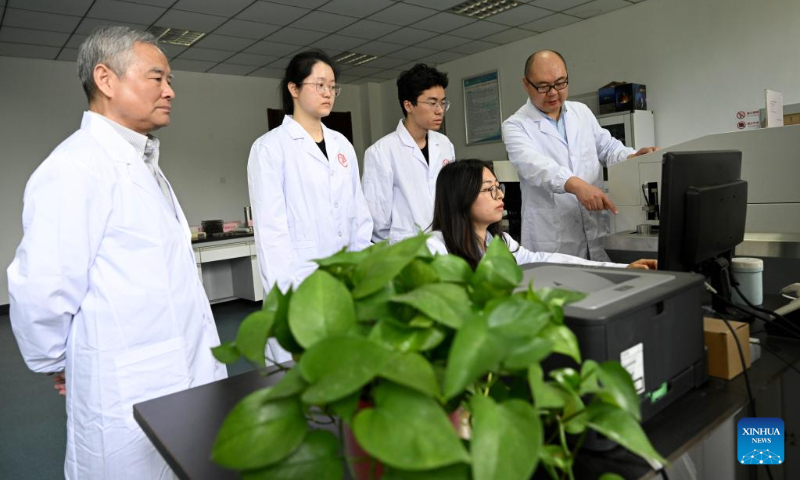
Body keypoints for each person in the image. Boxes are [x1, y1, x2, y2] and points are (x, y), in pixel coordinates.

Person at [6, 26, 227, 479]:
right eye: (157, 78)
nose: (170, 91)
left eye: (169, 81)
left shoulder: (140, 163)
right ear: (106, 80)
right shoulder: (75, 167)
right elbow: (42, 289)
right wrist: (58, 360)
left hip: (177, 368)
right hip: (128, 382)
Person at [502, 49, 658, 262]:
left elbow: (608, 148)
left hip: (594, 229)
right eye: (543, 86)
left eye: (560, 83)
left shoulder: (581, 112)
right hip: (552, 238)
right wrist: (576, 185)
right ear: (526, 84)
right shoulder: (515, 126)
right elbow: (534, 166)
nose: (553, 92)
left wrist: (632, 157)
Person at [247, 50, 372, 294]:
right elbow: (272, 232)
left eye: (333, 87)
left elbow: (360, 212)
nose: (328, 93)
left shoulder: (342, 145)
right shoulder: (269, 148)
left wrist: (364, 267)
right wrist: (282, 294)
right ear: (294, 89)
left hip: (349, 272)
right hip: (301, 276)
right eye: (320, 85)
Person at [428, 160, 657, 271]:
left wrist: (621, 268)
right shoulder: (435, 248)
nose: (499, 196)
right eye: (490, 189)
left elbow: (549, 260)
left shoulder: (500, 243)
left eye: (499, 187)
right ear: (461, 197)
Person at [362, 63, 456, 244]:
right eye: (432, 103)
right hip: (406, 251)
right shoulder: (381, 152)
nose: (439, 110)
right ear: (408, 105)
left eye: (443, 103)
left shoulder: (445, 145)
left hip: (446, 245)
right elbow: (377, 220)